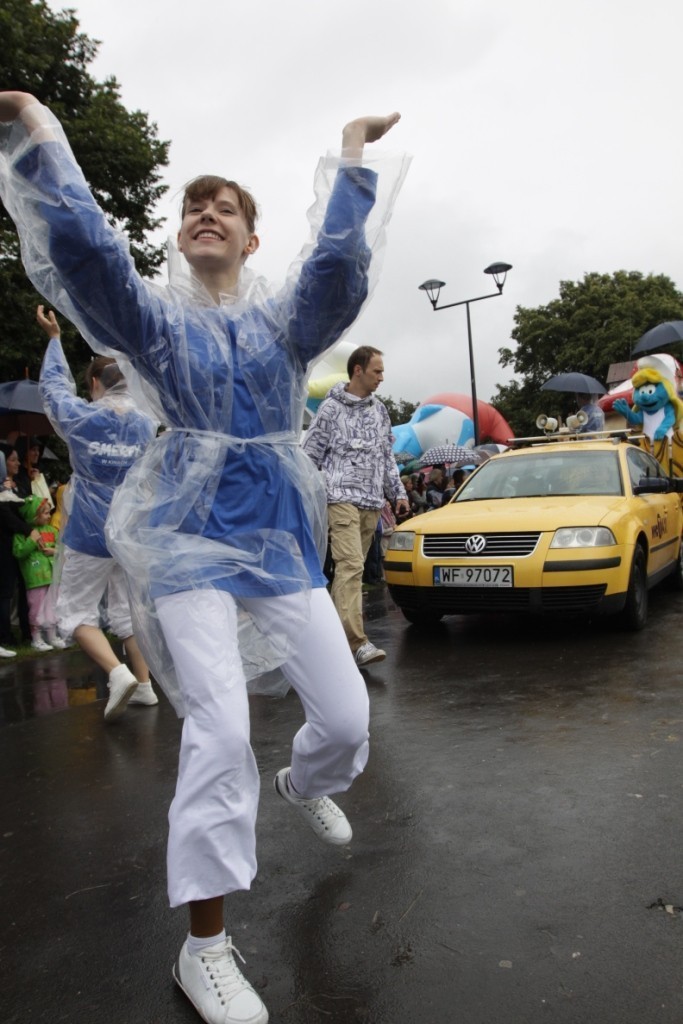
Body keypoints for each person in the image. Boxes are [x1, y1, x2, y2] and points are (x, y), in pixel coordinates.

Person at [0, 90, 408, 1024]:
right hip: (186, 542)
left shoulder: (282, 326)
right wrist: (40, 133)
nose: (207, 214)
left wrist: (349, 154)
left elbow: (339, 270)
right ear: (181, 238)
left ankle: (302, 782)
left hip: (276, 539)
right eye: (194, 208)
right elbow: (87, 254)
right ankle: (205, 949)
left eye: (225, 207)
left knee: (345, 719)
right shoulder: (152, 323)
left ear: (251, 240)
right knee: (218, 733)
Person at [35, 305, 159, 720]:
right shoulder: (144, 424)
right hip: (128, 531)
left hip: (89, 531)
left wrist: (54, 342)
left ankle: (117, 674)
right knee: (126, 611)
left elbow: (53, 391)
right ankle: (144, 686)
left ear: (93, 383)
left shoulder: (82, 419)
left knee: (74, 612)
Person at [303, 346, 409, 666]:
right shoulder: (331, 409)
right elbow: (310, 454)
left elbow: (386, 457)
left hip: (371, 501)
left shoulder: (380, 411)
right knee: (349, 566)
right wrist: (307, 493)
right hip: (340, 497)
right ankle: (356, 642)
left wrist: (398, 493)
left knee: (354, 570)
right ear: (358, 370)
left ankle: (333, 642)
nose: (382, 377)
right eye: (377, 371)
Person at [12, 494, 65, 651]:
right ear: (34, 515)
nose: (49, 516)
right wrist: (32, 540)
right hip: (35, 578)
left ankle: (52, 635)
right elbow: (19, 552)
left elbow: (61, 548)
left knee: (52, 606)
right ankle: (36, 638)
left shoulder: (51, 530)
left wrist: (55, 551)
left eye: (49, 512)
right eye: (45, 513)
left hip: (52, 577)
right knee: (37, 607)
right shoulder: (22, 534)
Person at [0, 442, 32, 648]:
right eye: (11, 460)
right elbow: (6, 515)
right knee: (4, 591)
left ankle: (16, 633)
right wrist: (28, 530)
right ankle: (4, 636)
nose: (17, 463)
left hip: (14, 543)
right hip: (4, 543)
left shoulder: (16, 483)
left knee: (13, 589)